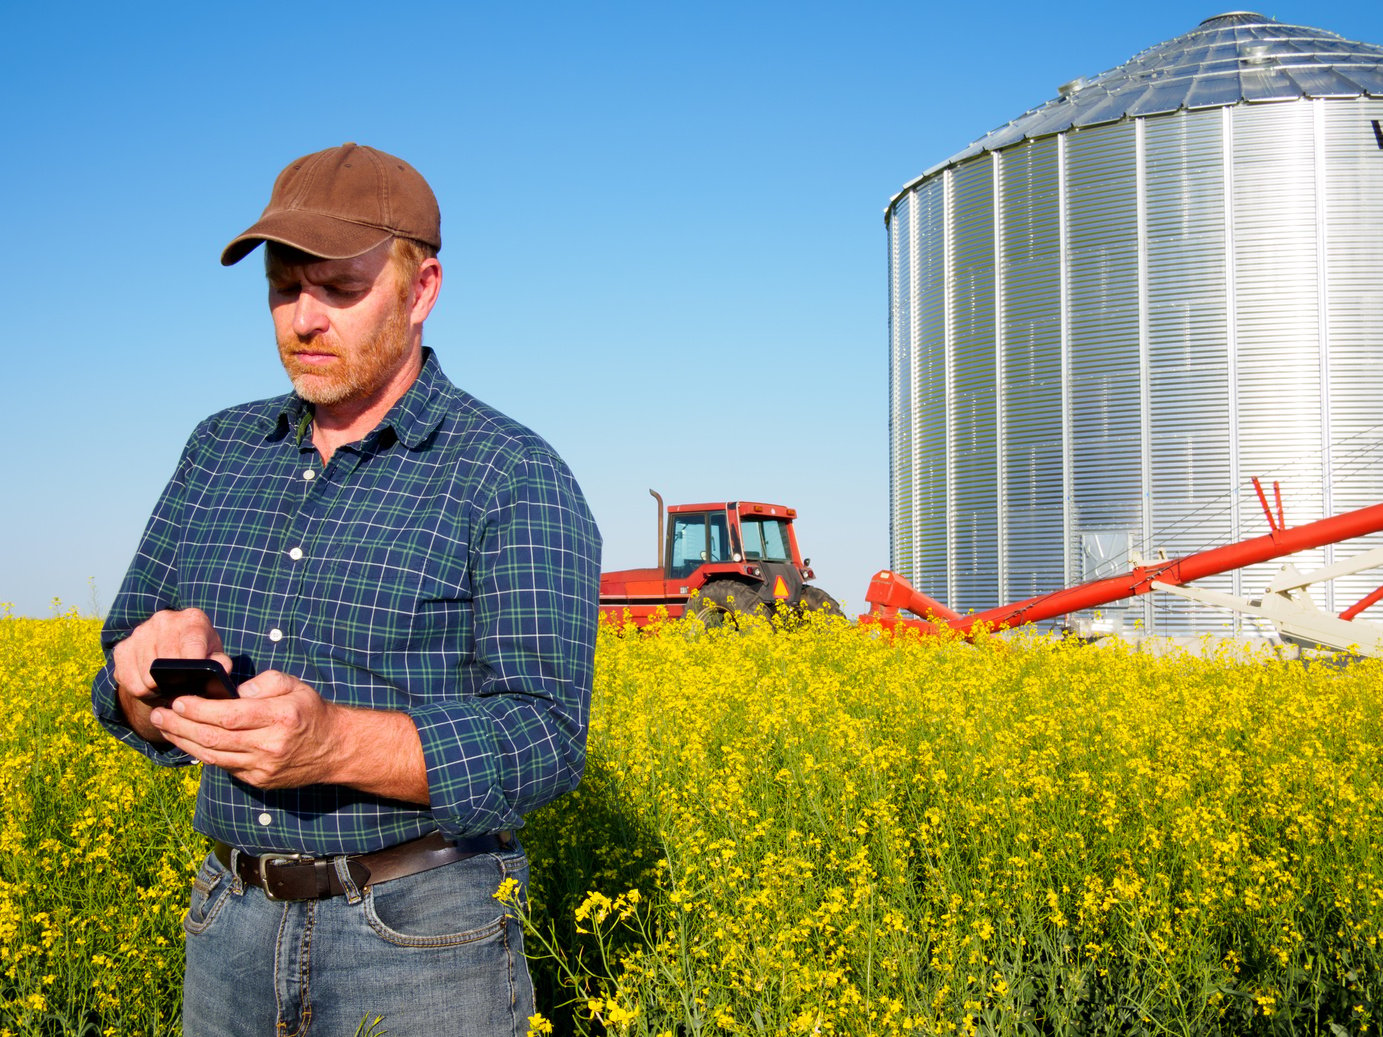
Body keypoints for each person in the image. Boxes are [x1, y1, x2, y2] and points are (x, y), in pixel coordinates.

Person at [91, 143, 601, 1036]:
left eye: (339, 288)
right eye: (285, 288)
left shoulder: (510, 473)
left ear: (421, 287)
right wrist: (147, 685)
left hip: (420, 937)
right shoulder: (219, 449)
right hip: (227, 922)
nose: (304, 319)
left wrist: (330, 744)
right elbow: (115, 681)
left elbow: (547, 737)